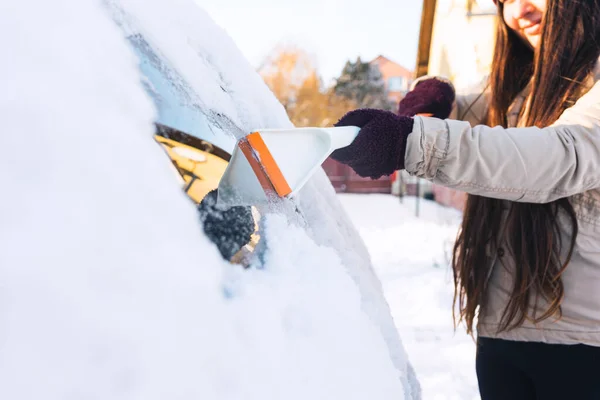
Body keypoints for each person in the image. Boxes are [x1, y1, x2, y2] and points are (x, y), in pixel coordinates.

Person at [331, 0, 600, 399]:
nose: (520, 10)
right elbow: (456, 103)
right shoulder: (512, 88)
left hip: (584, 342)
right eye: (505, 1)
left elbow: (561, 155)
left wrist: (411, 142)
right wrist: (433, 94)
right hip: (501, 334)